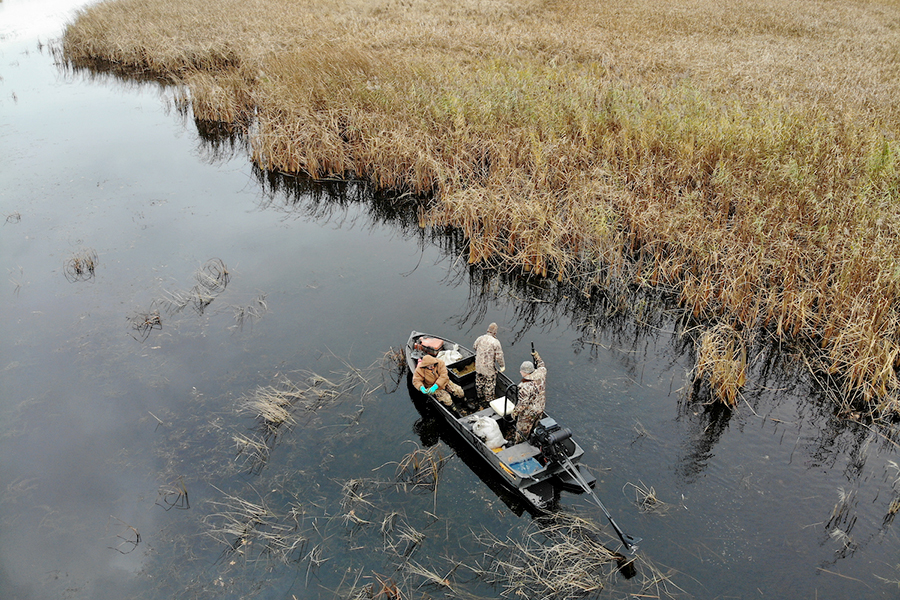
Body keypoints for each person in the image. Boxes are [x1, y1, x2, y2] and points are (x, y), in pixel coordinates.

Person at [512, 350, 546, 443]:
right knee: (535, 427)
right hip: (540, 408)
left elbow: (523, 404)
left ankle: (519, 443)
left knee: (522, 431)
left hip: (529, 413)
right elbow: (541, 365)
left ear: (525, 372)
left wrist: (514, 413)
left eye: (521, 371)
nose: (520, 372)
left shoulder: (524, 386)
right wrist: (537, 356)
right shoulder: (542, 373)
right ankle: (533, 439)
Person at [473, 322, 505, 400]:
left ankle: (479, 397)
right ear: (495, 332)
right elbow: (499, 357)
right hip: (489, 368)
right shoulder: (495, 342)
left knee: (479, 382)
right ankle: (488, 400)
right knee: (489, 385)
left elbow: (474, 347)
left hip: (479, 366)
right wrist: (502, 366)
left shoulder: (480, 338)